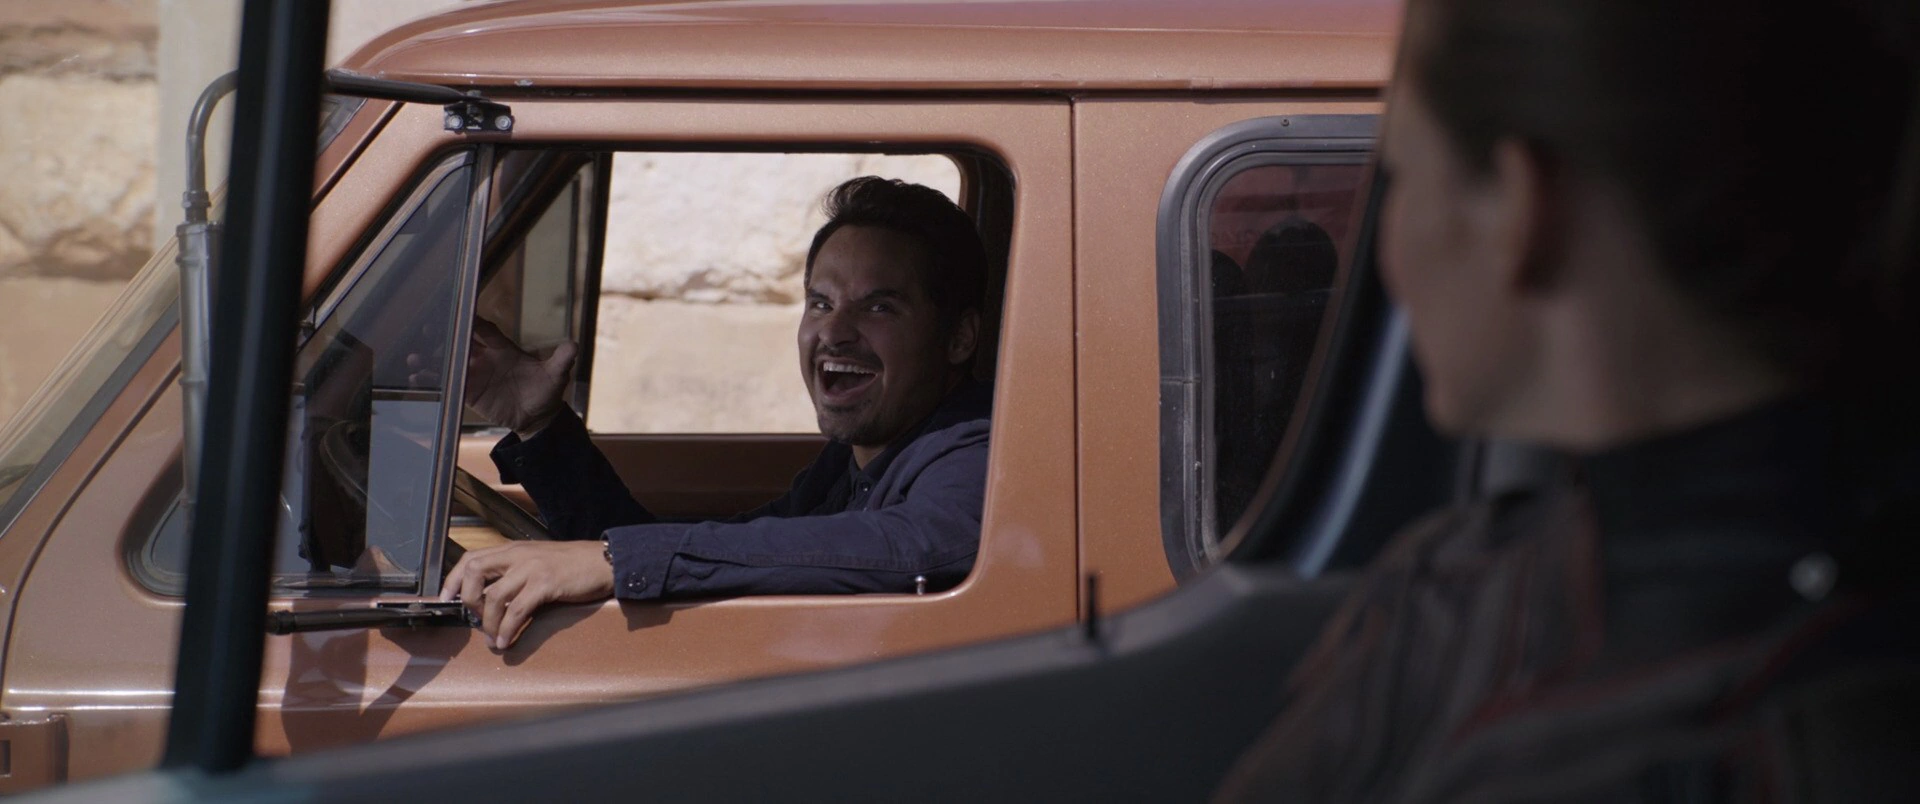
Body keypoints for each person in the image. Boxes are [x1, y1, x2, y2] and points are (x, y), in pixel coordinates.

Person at [1216, 0, 1920, 799]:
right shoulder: (1840, 693)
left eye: (1404, 177)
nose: (1388, 249)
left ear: (1519, 206)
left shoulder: (1450, 603)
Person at [441, 176, 992, 650]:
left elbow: (914, 546)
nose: (834, 332)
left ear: (959, 338)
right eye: (821, 303)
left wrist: (614, 560)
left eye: (879, 307)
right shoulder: (851, 464)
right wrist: (540, 425)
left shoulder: (981, 450)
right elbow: (722, 554)